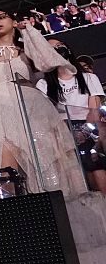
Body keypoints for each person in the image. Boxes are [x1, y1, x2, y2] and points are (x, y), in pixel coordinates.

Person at [0, 10, 87, 197]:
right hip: (0, 115)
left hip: (33, 111)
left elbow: (48, 62)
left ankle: (55, 209)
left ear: (13, 21)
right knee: (3, 175)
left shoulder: (26, 50)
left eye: (1, 17)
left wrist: (29, 32)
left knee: (47, 167)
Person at [36, 39, 106, 192]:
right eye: (51, 48)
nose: (57, 49)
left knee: (96, 167)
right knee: (75, 173)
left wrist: (84, 131)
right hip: (62, 131)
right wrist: (67, 135)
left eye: (59, 45)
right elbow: (47, 114)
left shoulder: (88, 78)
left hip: (88, 128)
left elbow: (94, 110)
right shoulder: (43, 84)